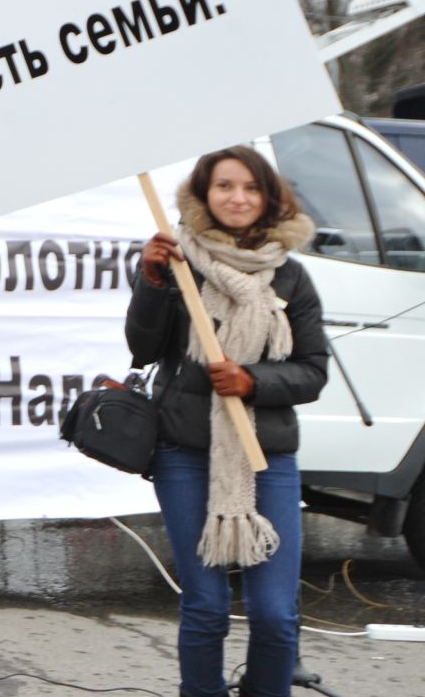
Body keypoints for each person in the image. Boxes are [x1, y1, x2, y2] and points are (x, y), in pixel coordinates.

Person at [129, 147, 328, 697]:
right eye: (223, 186)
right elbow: (142, 349)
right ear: (204, 196)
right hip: (184, 452)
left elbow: (313, 372)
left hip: (268, 455)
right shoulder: (177, 263)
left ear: (268, 198)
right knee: (207, 606)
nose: (236, 198)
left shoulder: (291, 278)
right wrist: (150, 282)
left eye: (249, 187)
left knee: (273, 613)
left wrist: (253, 381)